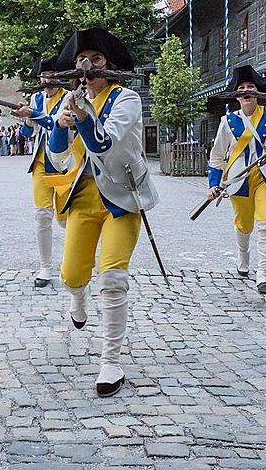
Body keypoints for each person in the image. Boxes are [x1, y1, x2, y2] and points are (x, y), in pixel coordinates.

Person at [47, 27, 159, 397]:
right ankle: (77, 300)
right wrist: (61, 126)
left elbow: (103, 142)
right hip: (82, 197)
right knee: (71, 275)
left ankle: (110, 361)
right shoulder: (71, 99)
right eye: (83, 60)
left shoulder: (126, 99)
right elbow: (56, 156)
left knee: (112, 278)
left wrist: (79, 116)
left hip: (122, 198)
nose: (88, 65)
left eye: (96, 59)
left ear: (108, 66)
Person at [206, 65, 266, 294]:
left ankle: (264, 273)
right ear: (236, 95)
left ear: (257, 92)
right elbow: (217, 156)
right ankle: (243, 254)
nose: (246, 91)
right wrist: (213, 184)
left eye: (250, 87)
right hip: (239, 178)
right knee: (243, 223)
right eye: (242, 88)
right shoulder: (227, 122)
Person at [13, 57, 69, 287]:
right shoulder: (36, 98)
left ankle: (72, 263)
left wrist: (33, 114)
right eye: (44, 76)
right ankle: (45, 267)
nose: (48, 80)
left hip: (65, 165)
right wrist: (26, 119)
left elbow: (54, 124)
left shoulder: (69, 98)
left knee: (67, 219)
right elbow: (28, 134)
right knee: (42, 217)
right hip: (40, 163)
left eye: (52, 75)